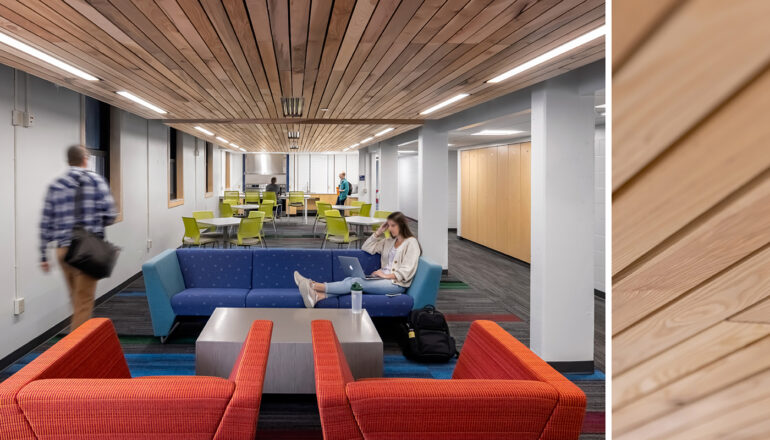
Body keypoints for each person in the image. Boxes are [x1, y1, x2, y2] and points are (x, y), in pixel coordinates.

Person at [40, 145, 117, 331]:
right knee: (84, 303)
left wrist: (43, 255)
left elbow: (46, 221)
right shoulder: (96, 181)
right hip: (86, 250)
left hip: (62, 250)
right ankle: (78, 353)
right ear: (85, 159)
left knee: (75, 299)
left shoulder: (56, 185)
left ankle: (75, 345)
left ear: (68, 160)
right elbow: (110, 215)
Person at [294, 211, 421, 307]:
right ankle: (317, 297)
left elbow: (406, 271)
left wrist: (385, 275)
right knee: (351, 280)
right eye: (389, 225)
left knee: (355, 282)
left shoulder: (411, 243)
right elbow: (367, 247)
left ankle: (313, 285)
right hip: (381, 279)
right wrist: (378, 232)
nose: (390, 228)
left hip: (395, 284)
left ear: (402, 225)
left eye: (393, 225)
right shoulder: (388, 241)